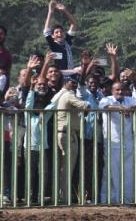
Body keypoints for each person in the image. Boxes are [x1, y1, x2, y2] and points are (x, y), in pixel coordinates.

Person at [52, 75, 92, 205]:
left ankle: (58, 197)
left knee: (62, 168)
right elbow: (84, 105)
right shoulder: (69, 94)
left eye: (75, 83)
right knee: (67, 168)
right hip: (67, 134)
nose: (74, 85)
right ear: (65, 83)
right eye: (72, 82)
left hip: (63, 133)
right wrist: (87, 105)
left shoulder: (61, 95)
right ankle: (64, 198)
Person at [42, 1, 81, 73]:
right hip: (60, 74)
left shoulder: (67, 41)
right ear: (53, 36)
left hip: (71, 74)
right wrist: (50, 12)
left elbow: (74, 24)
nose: (59, 34)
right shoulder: (53, 45)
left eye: (61, 32)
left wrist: (65, 11)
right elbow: (46, 31)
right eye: (56, 32)